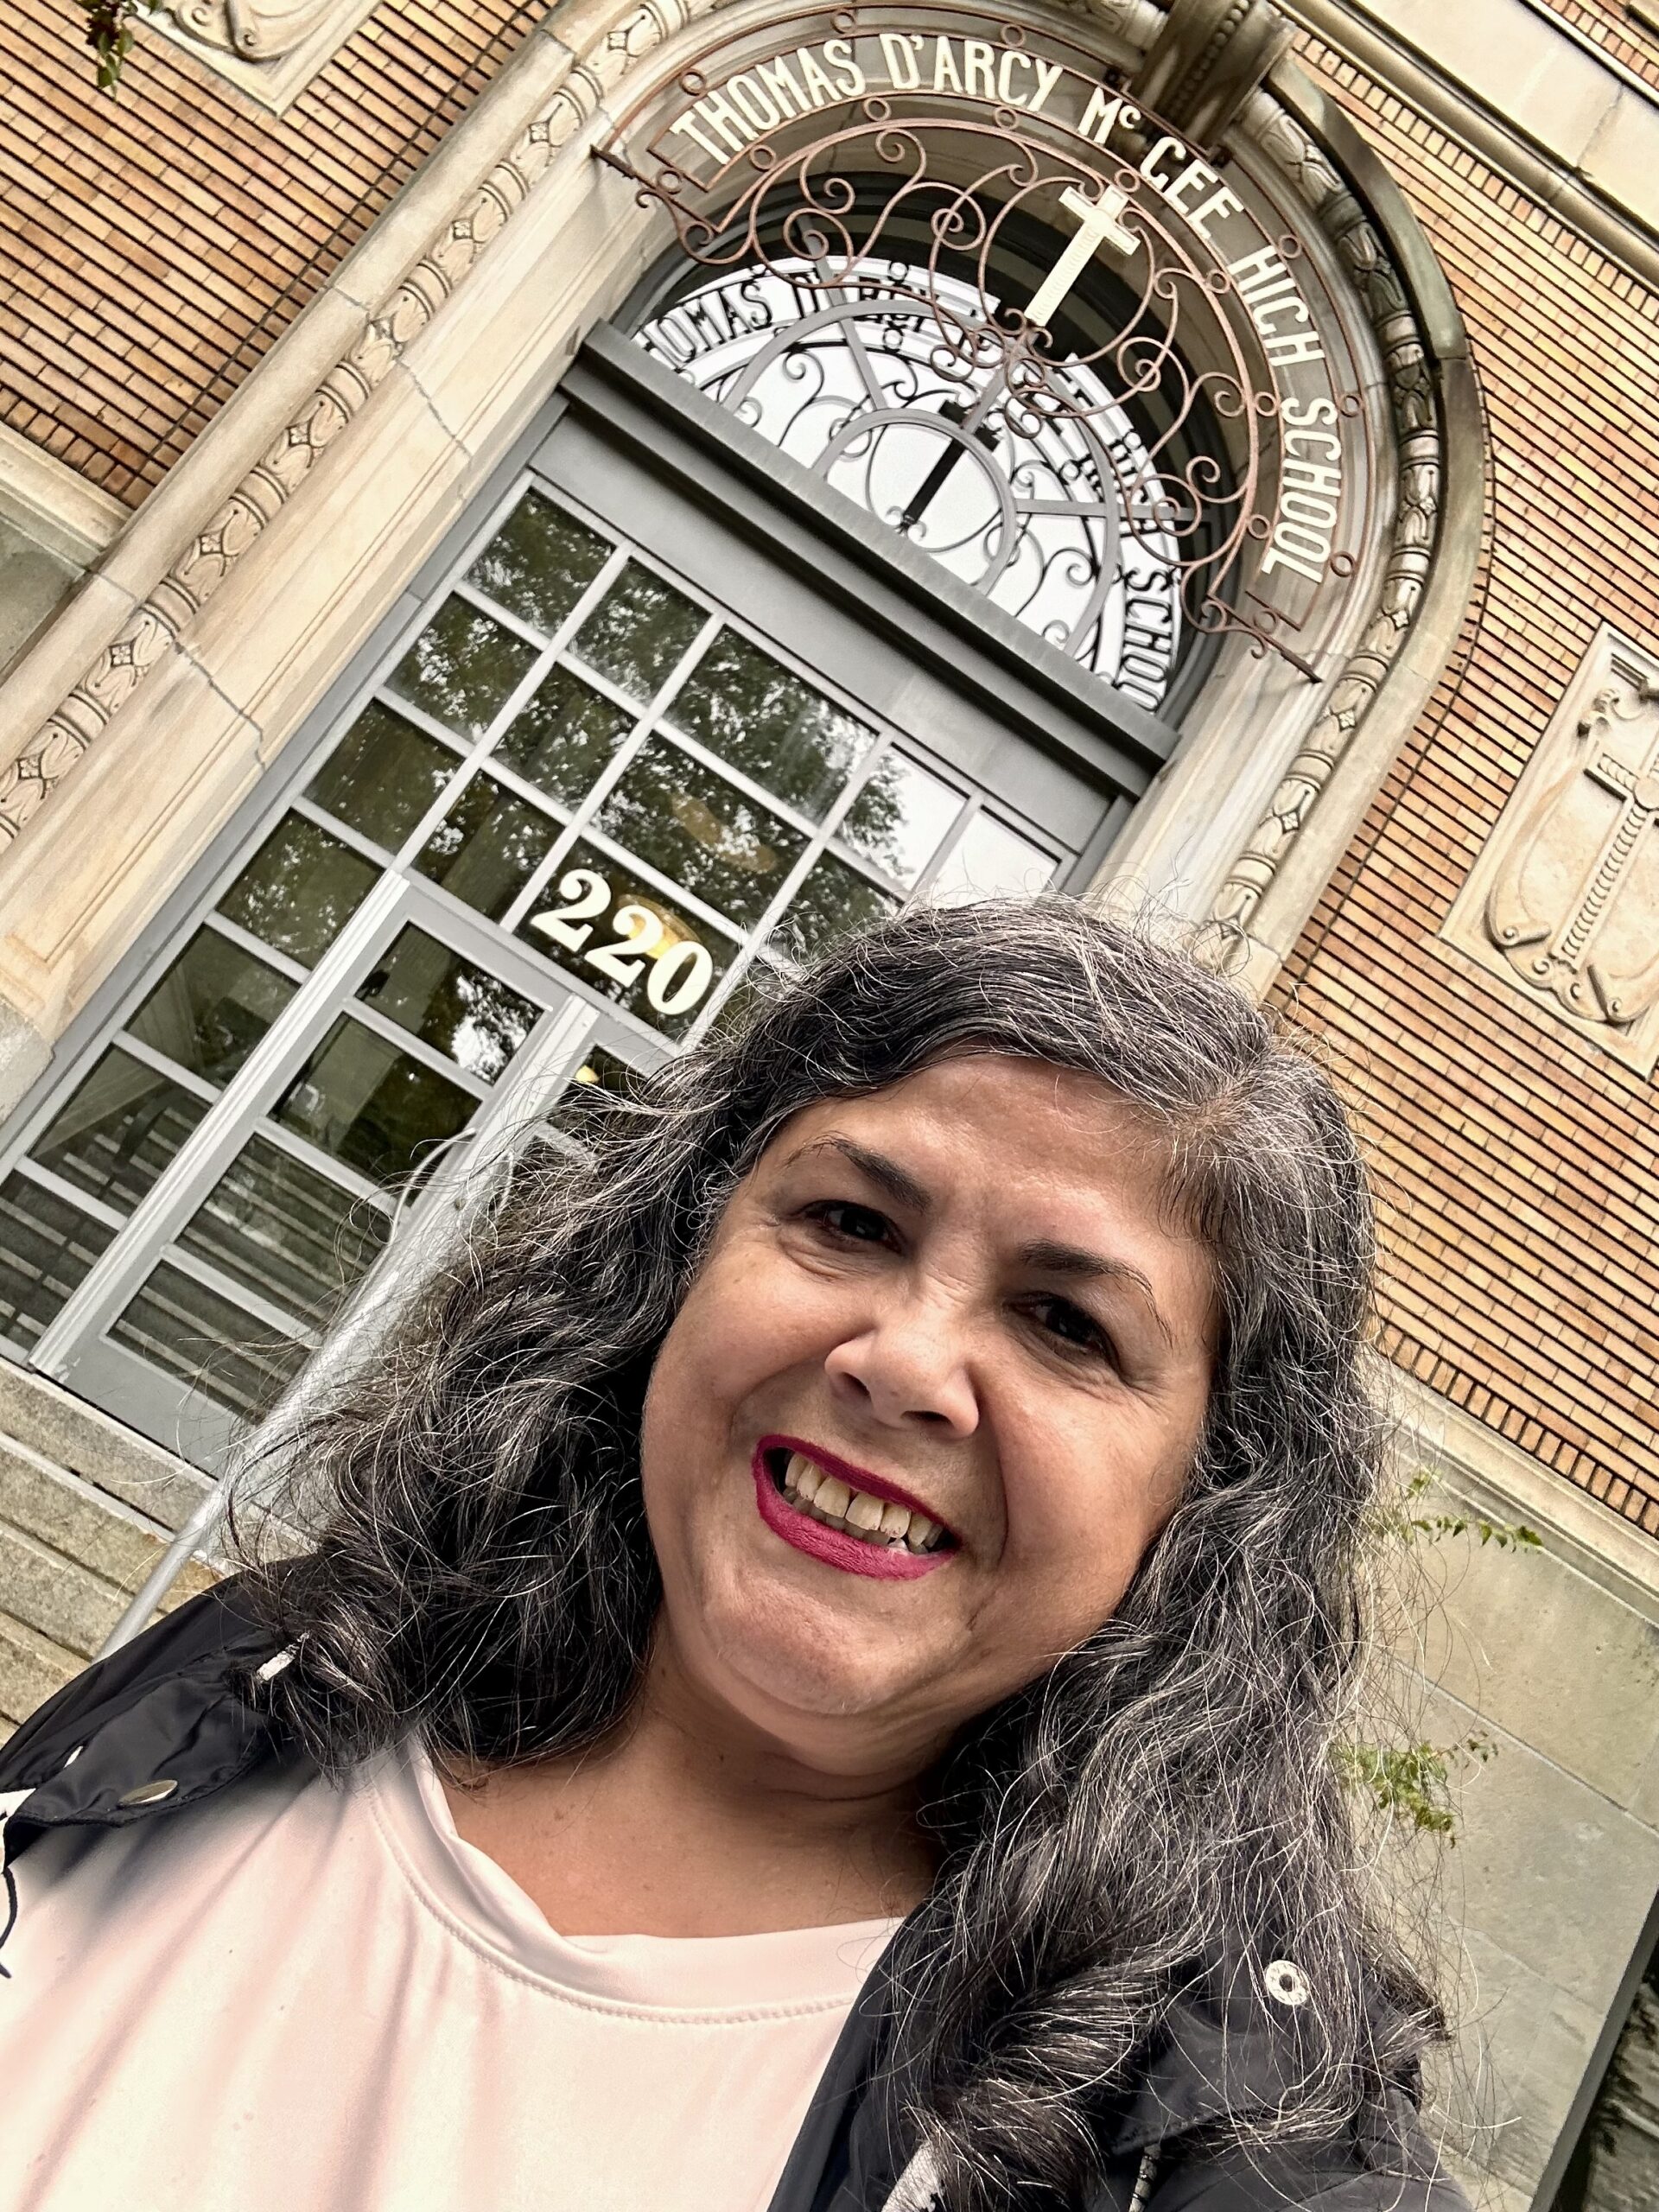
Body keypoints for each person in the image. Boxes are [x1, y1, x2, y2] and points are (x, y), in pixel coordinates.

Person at [0, 899, 1467, 2212]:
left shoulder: (1236, 2152)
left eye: (1065, 1324)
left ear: (1210, 1500)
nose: (904, 1363)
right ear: (678, 1259)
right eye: (850, 1223)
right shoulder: (268, 1675)